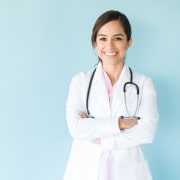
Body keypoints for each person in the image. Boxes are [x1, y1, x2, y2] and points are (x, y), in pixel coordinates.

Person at [63, 10, 159, 180]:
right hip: (85, 169)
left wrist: (99, 136)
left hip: (129, 170)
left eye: (118, 38)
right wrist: (121, 123)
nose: (110, 46)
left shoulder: (143, 83)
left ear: (129, 42)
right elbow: (76, 128)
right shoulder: (80, 82)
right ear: (95, 43)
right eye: (103, 38)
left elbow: (147, 132)